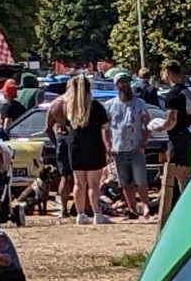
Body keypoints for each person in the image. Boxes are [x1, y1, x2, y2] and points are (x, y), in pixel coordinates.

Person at [63, 77, 109, 224]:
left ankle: (80, 215)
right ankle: (97, 214)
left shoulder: (69, 108)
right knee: (94, 184)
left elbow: (68, 127)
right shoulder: (96, 106)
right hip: (94, 146)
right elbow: (106, 126)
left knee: (79, 183)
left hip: (76, 146)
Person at [105, 73, 149, 221]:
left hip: (135, 148)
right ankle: (132, 209)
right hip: (118, 149)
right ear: (116, 85)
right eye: (121, 83)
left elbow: (147, 125)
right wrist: (108, 146)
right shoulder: (110, 105)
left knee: (141, 180)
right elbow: (105, 128)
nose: (124, 85)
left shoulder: (140, 104)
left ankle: (145, 207)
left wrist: (143, 143)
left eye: (126, 82)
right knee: (125, 183)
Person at [153, 61, 191, 220]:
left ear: (168, 72)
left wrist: (159, 127)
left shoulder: (173, 94)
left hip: (177, 137)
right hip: (187, 135)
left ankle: (185, 210)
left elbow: (172, 120)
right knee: (186, 174)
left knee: (179, 176)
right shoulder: (187, 91)